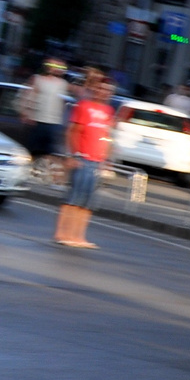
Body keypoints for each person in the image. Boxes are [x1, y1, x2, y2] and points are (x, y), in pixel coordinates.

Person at [54, 74, 116, 249]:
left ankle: (79, 236)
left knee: (88, 202)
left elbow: (107, 136)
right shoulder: (83, 106)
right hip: (82, 158)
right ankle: (62, 234)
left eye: (108, 91)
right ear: (95, 89)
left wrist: (107, 158)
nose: (104, 93)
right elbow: (72, 131)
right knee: (73, 199)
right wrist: (72, 154)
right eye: (101, 89)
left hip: (97, 161)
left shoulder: (108, 111)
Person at [21, 59, 70, 181]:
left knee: (49, 152)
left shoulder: (62, 84)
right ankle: (26, 171)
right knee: (32, 149)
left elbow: (66, 101)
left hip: (53, 122)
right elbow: (28, 96)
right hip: (38, 120)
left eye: (60, 67)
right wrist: (26, 113)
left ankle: (42, 174)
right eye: (52, 66)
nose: (56, 69)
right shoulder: (37, 79)